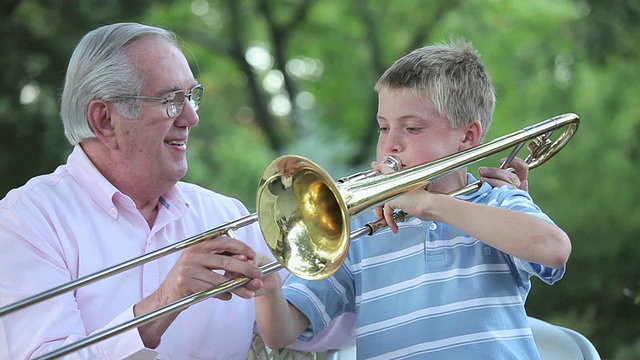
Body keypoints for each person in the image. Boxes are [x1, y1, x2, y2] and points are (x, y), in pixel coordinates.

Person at [254, 39, 571, 359]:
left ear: (468, 137)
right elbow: (279, 333)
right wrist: (268, 290)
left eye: (413, 128)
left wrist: (430, 205)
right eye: (383, 128)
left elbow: (553, 250)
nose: (391, 144)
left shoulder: (497, 200)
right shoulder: (359, 226)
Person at [0, 22, 285, 360]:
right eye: (170, 100)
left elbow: (310, 332)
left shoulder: (228, 216)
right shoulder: (26, 221)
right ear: (105, 119)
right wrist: (164, 302)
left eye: (192, 97)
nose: (191, 118)